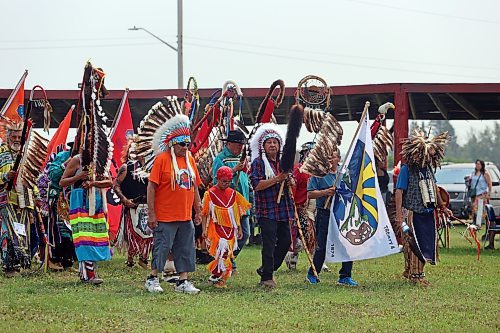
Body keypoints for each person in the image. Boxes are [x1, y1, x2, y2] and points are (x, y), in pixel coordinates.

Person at [144, 114, 202, 294]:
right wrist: (152, 214)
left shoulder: (190, 160)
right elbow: (151, 188)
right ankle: (152, 278)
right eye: (182, 144)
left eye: (188, 144)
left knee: (186, 248)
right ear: (172, 144)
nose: (185, 147)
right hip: (165, 215)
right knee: (162, 247)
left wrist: (197, 210)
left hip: (185, 215)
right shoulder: (161, 160)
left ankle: (182, 281)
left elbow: (194, 187)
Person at [394, 129, 451, 286]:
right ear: (414, 153)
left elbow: (435, 187)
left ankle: (411, 271)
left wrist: (442, 207)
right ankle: (416, 275)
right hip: (412, 212)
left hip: (427, 212)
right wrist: (399, 214)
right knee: (413, 243)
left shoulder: (428, 169)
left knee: (425, 242)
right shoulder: (406, 170)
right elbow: (399, 191)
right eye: (420, 154)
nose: (423, 158)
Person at [59, 137, 113, 284]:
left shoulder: (100, 161)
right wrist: (79, 177)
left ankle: (89, 272)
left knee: (96, 235)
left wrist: (93, 183)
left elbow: (109, 182)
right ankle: (88, 274)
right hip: (79, 200)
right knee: (83, 236)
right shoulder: (76, 160)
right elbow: (62, 181)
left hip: (97, 200)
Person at [250, 123, 294, 288]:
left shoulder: (284, 163)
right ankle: (266, 278)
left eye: (275, 142)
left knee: (285, 240)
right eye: (269, 143)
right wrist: (277, 179)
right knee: (269, 243)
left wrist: (289, 179)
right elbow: (256, 185)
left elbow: (292, 183)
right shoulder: (258, 163)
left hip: (283, 209)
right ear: (263, 146)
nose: (273, 145)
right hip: (266, 210)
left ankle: (267, 268)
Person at [305, 150, 358, 286]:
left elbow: (351, 189)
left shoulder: (344, 172)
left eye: (332, 157)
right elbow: (310, 194)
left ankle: (345, 276)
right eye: (327, 157)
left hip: (341, 214)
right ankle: (313, 273)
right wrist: (325, 192)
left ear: (338, 158)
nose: (329, 159)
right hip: (325, 213)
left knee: (347, 244)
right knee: (321, 245)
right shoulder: (319, 174)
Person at [202, 166, 251, 288]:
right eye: (224, 181)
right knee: (221, 252)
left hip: (230, 229)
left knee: (227, 253)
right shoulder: (210, 194)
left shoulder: (233, 194)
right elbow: (205, 213)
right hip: (217, 228)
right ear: (217, 179)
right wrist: (204, 229)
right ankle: (217, 275)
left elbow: (237, 213)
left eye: (229, 182)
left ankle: (220, 276)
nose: (226, 184)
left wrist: (239, 228)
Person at [211, 130, 250, 271]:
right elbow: (217, 180)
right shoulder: (220, 159)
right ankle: (225, 261)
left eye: (242, 145)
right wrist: (233, 170)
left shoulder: (242, 158)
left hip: (242, 203)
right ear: (229, 144)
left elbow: (246, 179)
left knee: (245, 233)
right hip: (227, 203)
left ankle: (230, 258)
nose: (240, 147)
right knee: (228, 235)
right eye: (238, 144)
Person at [0, 122, 33, 276]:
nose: (17, 139)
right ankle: (8, 266)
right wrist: (6, 176)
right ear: (7, 137)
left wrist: (36, 196)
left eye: (20, 136)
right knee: (8, 233)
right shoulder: (1, 152)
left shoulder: (27, 154)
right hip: (5, 199)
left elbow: (32, 177)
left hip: (23, 199)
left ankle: (19, 263)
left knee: (21, 232)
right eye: (14, 136)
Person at [114, 139, 152, 269]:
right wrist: (124, 200)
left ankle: (144, 258)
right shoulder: (126, 167)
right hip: (132, 205)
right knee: (131, 233)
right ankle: (130, 258)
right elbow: (116, 185)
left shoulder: (150, 169)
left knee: (148, 233)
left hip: (147, 206)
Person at [285, 142, 317, 270]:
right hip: (298, 207)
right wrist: (292, 207)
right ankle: (291, 257)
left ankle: (317, 262)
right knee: (298, 236)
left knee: (311, 236)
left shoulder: (317, 171)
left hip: (311, 207)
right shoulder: (298, 170)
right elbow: (293, 189)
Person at [470, 159, 492, 228]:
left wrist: (488, 193)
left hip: (482, 194)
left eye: (479, 164)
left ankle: (480, 224)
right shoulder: (474, 173)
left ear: (482, 165)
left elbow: (489, 184)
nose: (477, 165)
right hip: (475, 194)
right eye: (476, 164)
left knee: (480, 209)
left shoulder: (485, 173)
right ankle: (476, 223)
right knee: (474, 209)